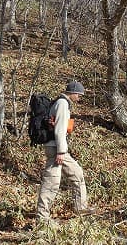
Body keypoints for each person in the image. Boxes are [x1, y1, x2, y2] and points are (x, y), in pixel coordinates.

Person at [36, 81, 95, 222]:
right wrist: (61, 151)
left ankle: (80, 207)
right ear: (73, 93)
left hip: (58, 148)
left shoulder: (61, 102)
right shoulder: (62, 104)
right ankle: (42, 217)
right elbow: (60, 129)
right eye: (79, 95)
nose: (79, 98)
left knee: (77, 173)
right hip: (56, 148)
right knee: (52, 182)